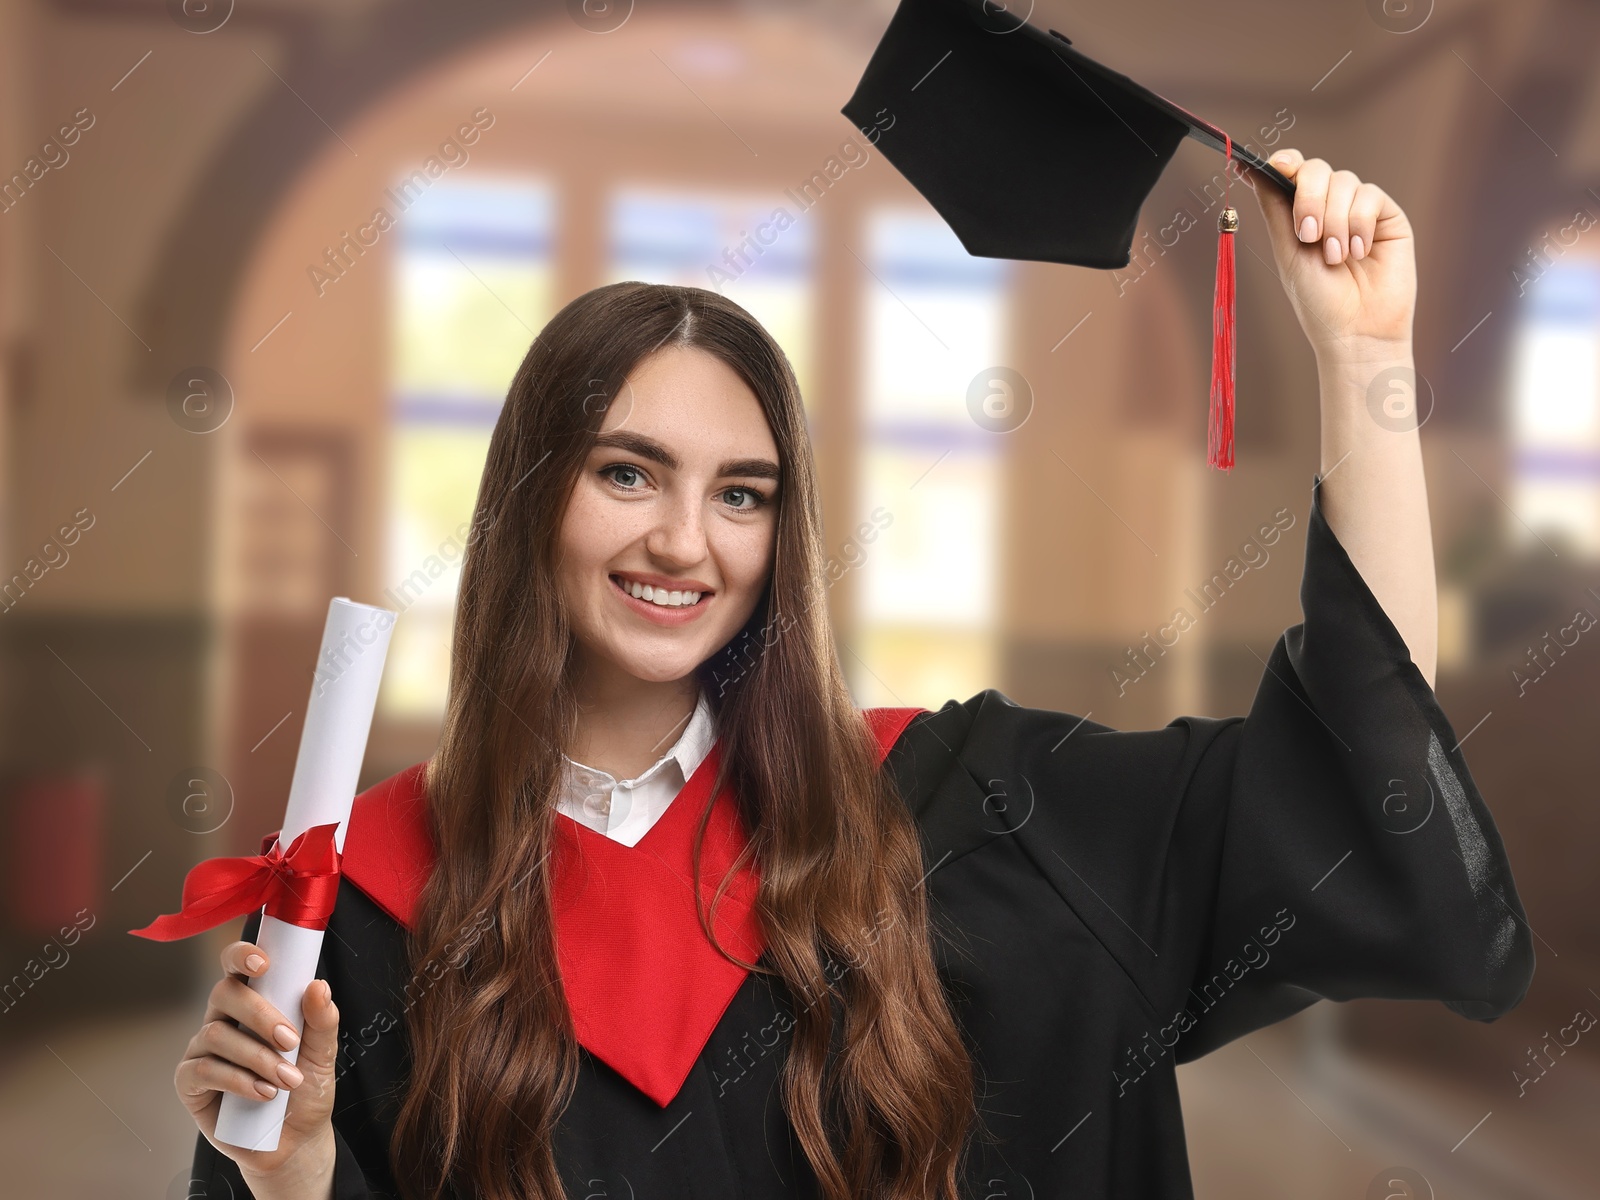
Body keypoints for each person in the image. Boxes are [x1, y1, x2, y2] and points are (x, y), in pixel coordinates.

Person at [175, 151, 1534, 1200]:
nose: (682, 541)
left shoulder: (965, 810)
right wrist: (291, 1177)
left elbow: (1354, 780)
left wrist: (1363, 361)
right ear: (534, 496)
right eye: (627, 471)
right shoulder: (360, 908)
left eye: (745, 494)